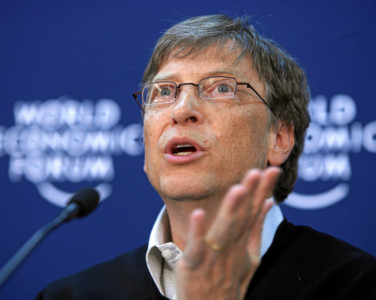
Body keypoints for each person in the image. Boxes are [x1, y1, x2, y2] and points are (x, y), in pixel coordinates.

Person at [36, 15, 376, 300]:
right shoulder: (73, 296)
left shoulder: (353, 284)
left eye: (222, 88)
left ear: (280, 138)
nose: (182, 110)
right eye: (165, 91)